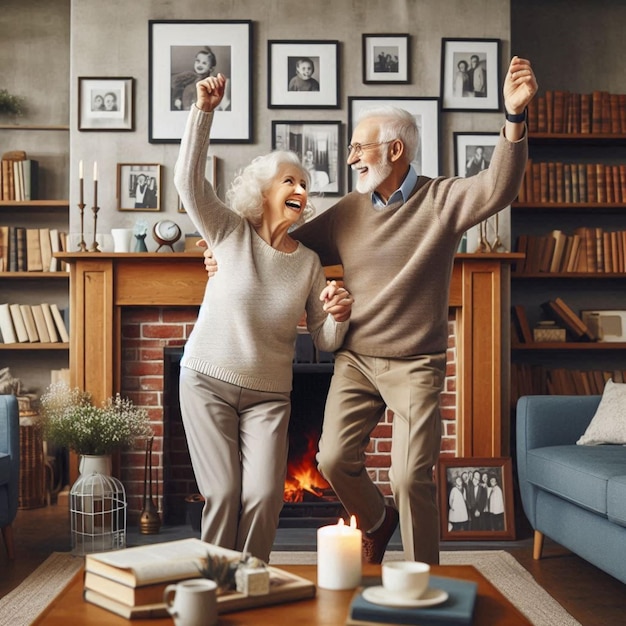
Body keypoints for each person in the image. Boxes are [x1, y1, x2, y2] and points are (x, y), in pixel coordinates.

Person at [202, 56, 537, 565]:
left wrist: (513, 119)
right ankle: (379, 522)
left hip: (415, 363)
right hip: (355, 360)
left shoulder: (442, 200)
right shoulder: (348, 212)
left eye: (361, 147)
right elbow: (275, 242)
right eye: (353, 148)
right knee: (332, 459)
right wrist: (220, 251)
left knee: (408, 477)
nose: (353, 157)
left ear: (395, 150)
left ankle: (425, 579)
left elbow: (499, 187)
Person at [173, 73, 353, 563]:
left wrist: (338, 315)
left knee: (265, 497)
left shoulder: (310, 262)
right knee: (226, 495)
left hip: (269, 397)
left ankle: (249, 583)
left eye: (305, 184)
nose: (301, 189)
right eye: (290, 180)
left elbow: (326, 338)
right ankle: (210, 587)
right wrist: (203, 111)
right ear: (265, 191)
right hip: (207, 381)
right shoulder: (230, 233)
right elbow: (187, 183)